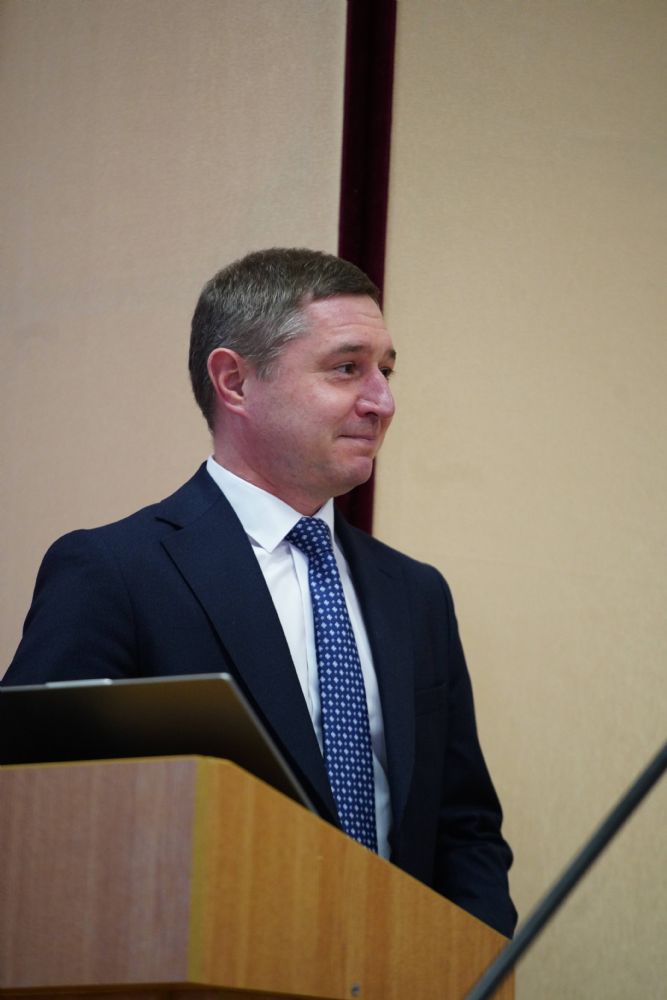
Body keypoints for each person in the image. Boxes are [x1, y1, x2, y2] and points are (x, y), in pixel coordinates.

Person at [3, 248, 517, 937]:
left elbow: (464, 825)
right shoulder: (115, 572)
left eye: (386, 371)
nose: (382, 401)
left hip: (400, 969)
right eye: (347, 368)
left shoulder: (416, 594)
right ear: (235, 381)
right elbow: (35, 807)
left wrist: (478, 962)